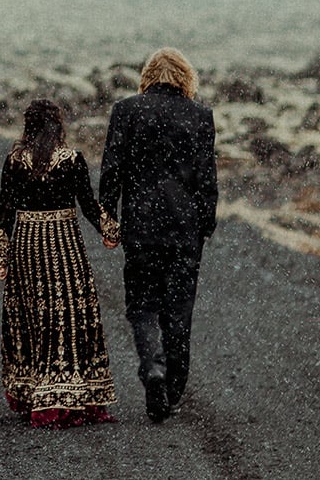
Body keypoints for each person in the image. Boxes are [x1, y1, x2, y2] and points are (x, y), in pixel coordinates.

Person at [99, 47, 219, 423]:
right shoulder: (200, 116)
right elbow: (206, 178)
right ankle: (173, 388)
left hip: (141, 226)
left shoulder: (127, 110)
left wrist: (109, 217)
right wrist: (205, 223)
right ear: (186, 78)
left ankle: (152, 367)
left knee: (142, 305)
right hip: (183, 230)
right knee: (179, 310)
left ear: (147, 77)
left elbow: (112, 169)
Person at [0, 99, 119, 428]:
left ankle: (37, 390)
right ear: (58, 125)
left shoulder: (15, 160)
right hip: (63, 245)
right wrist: (111, 231)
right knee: (69, 315)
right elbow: (89, 205)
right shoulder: (72, 159)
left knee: (32, 314)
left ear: (28, 126)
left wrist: (1, 257)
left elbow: (5, 212)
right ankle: (73, 394)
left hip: (27, 245)